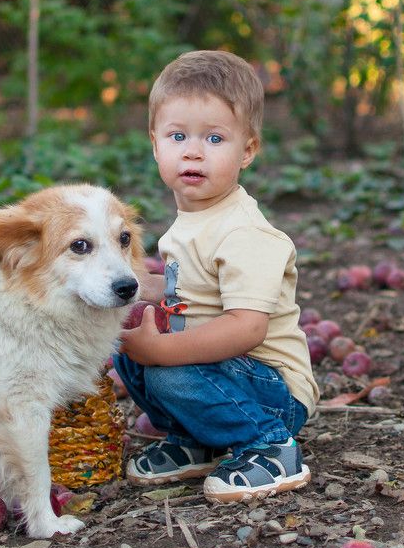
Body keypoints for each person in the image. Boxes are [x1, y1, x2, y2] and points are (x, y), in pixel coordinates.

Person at [113, 50, 319, 503]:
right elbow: (179, 291)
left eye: (214, 139)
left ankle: (272, 446)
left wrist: (164, 351)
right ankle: (196, 440)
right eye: (178, 135)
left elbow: (248, 327)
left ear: (247, 150)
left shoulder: (243, 231)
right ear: (155, 144)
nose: (192, 150)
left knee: (165, 371)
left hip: (272, 388)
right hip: (222, 372)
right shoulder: (190, 222)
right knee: (128, 351)